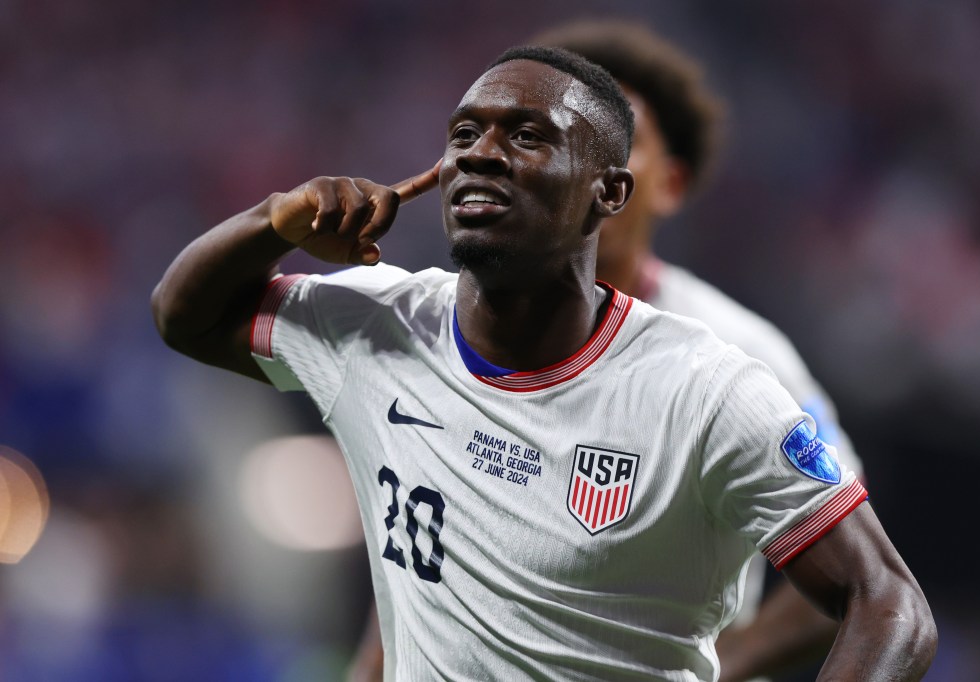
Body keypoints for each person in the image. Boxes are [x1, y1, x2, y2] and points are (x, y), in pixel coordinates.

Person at [152, 45, 936, 680]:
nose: (481, 155)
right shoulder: (376, 325)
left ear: (610, 192)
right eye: (463, 136)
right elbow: (185, 315)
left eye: (527, 136)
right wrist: (273, 222)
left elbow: (888, 602)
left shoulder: (708, 388)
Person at [349, 21, 870, 682]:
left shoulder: (737, 352)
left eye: (624, 139)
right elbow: (422, 541)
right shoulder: (467, 325)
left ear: (663, 182)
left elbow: (850, 574)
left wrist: (721, 668)